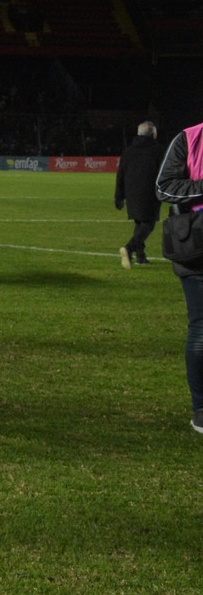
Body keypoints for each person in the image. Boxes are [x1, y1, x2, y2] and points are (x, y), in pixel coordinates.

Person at [156, 121, 203, 431]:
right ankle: (201, 408)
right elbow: (164, 186)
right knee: (202, 328)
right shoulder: (189, 138)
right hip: (199, 248)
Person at [116, 121, 162, 268]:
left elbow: (120, 174)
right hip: (149, 192)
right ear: (153, 134)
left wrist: (119, 196)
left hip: (131, 192)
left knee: (139, 222)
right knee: (148, 224)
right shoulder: (159, 150)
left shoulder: (128, 151)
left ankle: (141, 257)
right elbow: (164, 172)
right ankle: (129, 248)